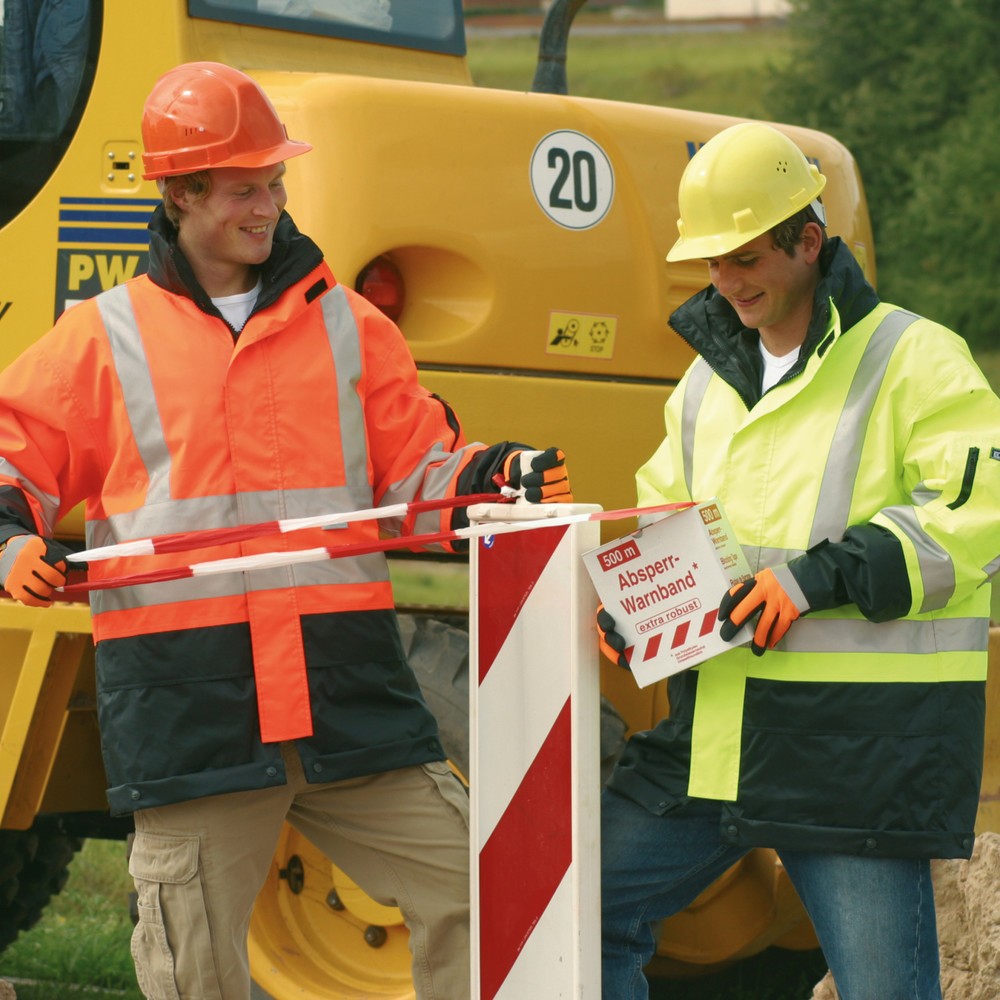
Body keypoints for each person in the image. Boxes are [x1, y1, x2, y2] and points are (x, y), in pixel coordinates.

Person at [0, 61, 572, 1000]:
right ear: (181, 193)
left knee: (486, 895)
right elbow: (9, 455)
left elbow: (418, 472)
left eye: (275, 183)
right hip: (196, 718)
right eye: (243, 189)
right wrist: (12, 542)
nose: (268, 206)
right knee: (196, 974)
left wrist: (490, 478)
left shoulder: (348, 324)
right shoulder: (105, 336)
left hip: (345, 701)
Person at [597, 121, 1000, 1000]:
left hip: (853, 754)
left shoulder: (913, 356)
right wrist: (634, 608)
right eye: (712, 263)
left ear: (808, 242)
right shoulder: (703, 383)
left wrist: (814, 579)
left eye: (745, 258)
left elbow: (975, 518)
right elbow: (664, 517)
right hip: (715, 739)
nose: (727, 281)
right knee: (572, 921)